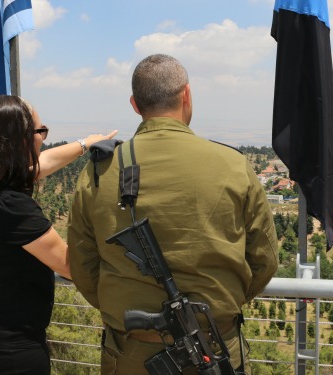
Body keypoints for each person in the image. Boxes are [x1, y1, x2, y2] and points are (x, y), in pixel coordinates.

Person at [68, 54, 279, 374]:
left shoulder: (101, 171)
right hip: (217, 345)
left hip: (131, 352)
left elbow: (83, 265)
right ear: (187, 95)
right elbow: (264, 261)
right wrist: (221, 305)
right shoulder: (233, 164)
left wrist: (122, 307)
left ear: (135, 104)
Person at [0, 95, 117, 375]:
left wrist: (86, 143)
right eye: (40, 131)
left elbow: (45, 162)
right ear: (17, 140)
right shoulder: (11, 206)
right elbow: (72, 266)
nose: (43, 139)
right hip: (9, 349)